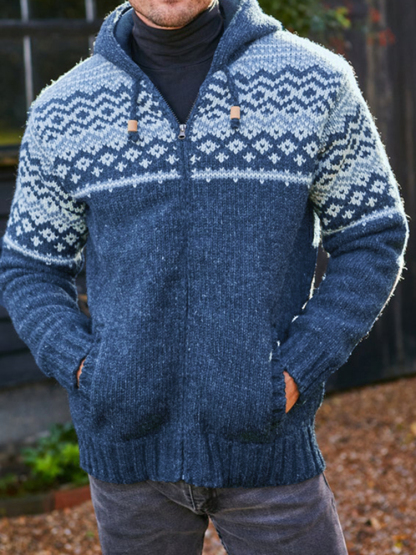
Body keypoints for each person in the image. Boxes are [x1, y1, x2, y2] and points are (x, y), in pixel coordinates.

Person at [0, 0, 409, 553]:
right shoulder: (62, 110)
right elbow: (30, 267)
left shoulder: (316, 83)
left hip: (268, 450)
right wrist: (90, 371)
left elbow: (372, 237)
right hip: (129, 467)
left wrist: (295, 370)